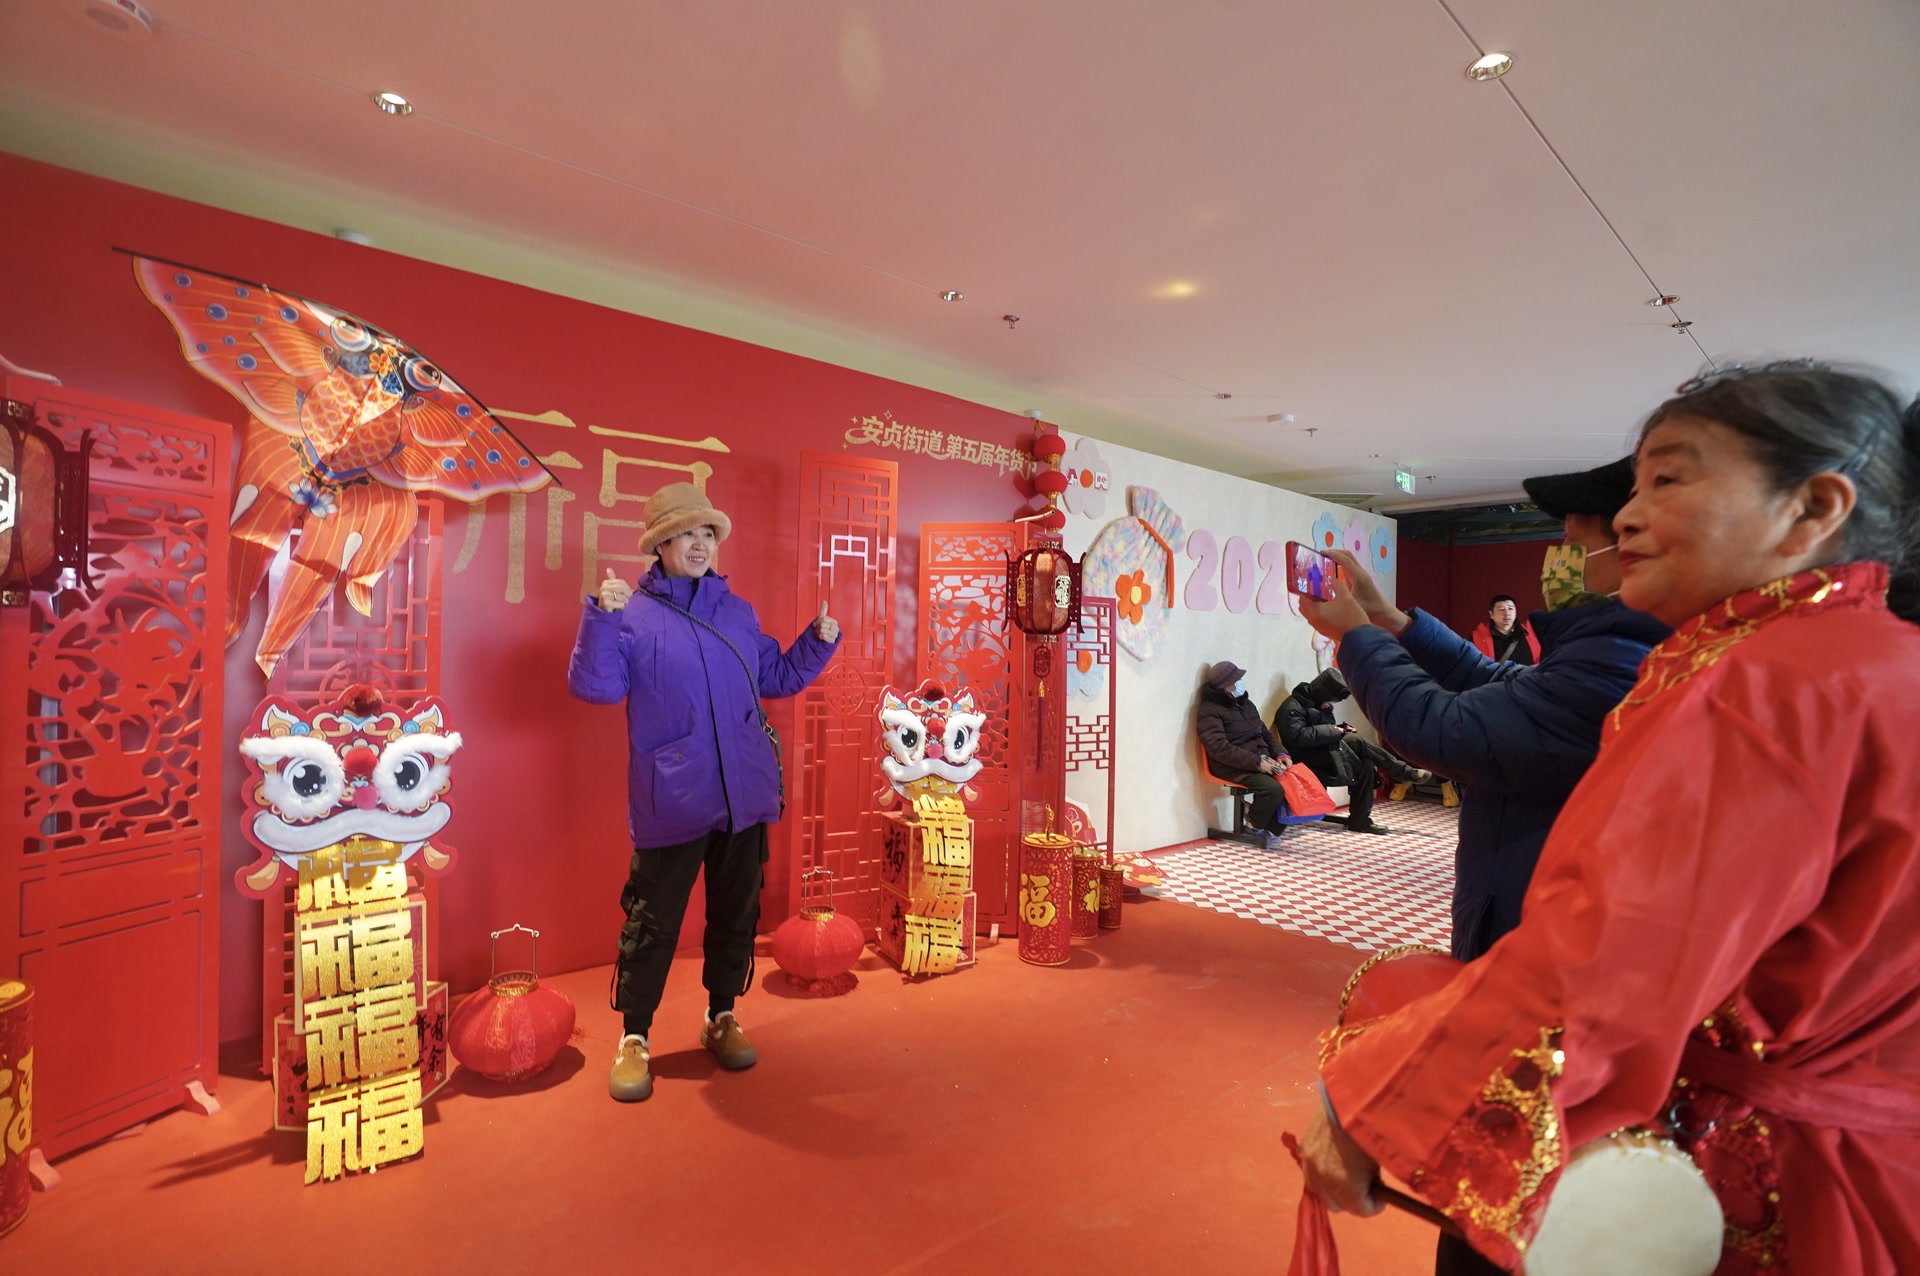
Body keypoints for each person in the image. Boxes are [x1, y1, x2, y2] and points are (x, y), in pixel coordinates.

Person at [1298, 362, 1920, 1274]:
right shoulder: (1865, 659)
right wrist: (1390, 626)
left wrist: (1373, 1105)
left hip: (1753, 1167)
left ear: (1813, 508)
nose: (1627, 518)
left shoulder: (1768, 682)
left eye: (1667, 480)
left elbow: (1616, 953)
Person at [1305, 458, 1670, 960]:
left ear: (1633, 546)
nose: (1557, 560)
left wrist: (1355, 634)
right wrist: (1390, 620)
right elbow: (1499, 679)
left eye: (1571, 543)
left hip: (1539, 928)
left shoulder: (1620, 665)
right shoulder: (1614, 649)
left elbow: (1438, 727)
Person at [569, 482, 840, 1103]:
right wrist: (601, 618)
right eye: (686, 534)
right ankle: (634, 1036)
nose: (700, 544)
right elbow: (597, 687)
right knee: (653, 921)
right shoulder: (632, 615)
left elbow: (775, 675)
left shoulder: (738, 612)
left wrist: (817, 640)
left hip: (744, 791)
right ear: (659, 545)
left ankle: (721, 1015)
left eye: (707, 534)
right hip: (672, 797)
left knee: (735, 912)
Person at [1274, 669, 1430, 835]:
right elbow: (1298, 737)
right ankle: (1403, 772)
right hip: (1302, 760)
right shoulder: (1292, 707)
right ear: (1323, 693)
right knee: (1355, 740)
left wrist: (1341, 729)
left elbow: (1324, 732)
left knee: (1365, 763)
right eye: (1331, 700)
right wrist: (1336, 730)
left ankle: (1360, 821)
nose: (1331, 704)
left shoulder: (1318, 704)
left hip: (1323, 754)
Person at [1195, 660, 1295, 851]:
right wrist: (1256, 762)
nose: (1241, 683)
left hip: (1260, 759)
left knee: (1291, 783)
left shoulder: (1246, 704)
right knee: (1272, 789)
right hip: (1230, 765)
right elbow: (1218, 748)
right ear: (1226, 686)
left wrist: (1281, 752)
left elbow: (1265, 733)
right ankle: (1254, 825)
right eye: (1236, 681)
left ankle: (1268, 828)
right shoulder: (1210, 711)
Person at [1469, 594, 1540, 665]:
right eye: (1501, 609)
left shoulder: (1530, 634)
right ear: (1491, 614)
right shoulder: (1477, 639)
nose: (1507, 613)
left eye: (1510, 609)